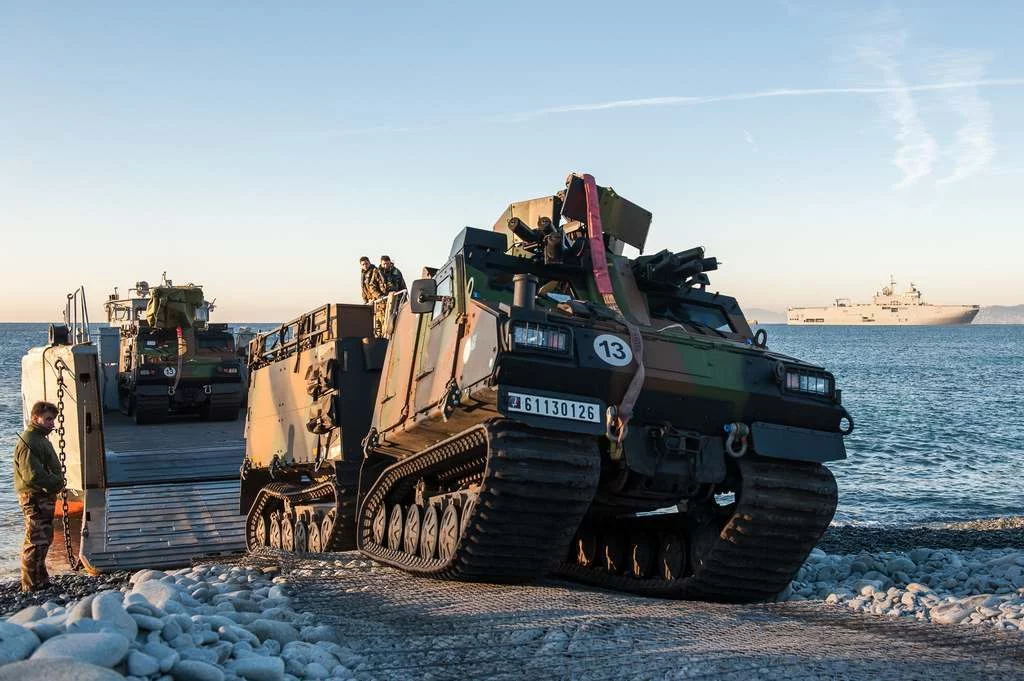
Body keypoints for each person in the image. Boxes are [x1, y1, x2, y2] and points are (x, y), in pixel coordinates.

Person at [14, 401, 65, 591]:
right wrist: (56, 483)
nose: (52, 423)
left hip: (42, 496)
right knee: (35, 540)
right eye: (49, 419)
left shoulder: (39, 438)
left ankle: (40, 579)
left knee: (43, 538)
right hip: (35, 497)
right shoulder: (30, 441)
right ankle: (30, 583)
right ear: (36, 418)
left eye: (53, 419)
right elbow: (32, 475)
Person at [360, 256, 387, 337]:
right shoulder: (363, 273)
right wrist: (365, 301)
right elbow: (364, 289)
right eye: (363, 264)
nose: (365, 265)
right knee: (373, 324)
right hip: (370, 302)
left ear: (369, 262)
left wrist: (378, 298)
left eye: (366, 263)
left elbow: (381, 285)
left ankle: (383, 340)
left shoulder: (375, 271)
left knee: (380, 322)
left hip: (378, 301)